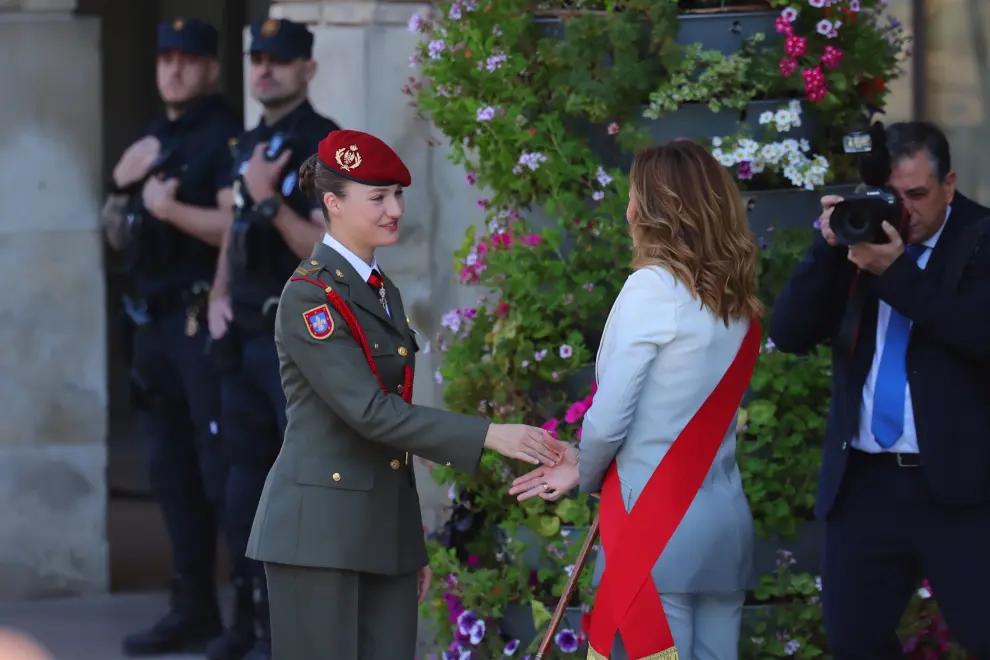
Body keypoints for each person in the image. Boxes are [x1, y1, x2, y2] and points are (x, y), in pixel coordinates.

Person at [244, 128, 566, 660]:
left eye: (398, 194)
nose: (395, 209)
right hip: (319, 535)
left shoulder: (377, 289)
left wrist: (406, 541)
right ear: (333, 203)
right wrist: (490, 435)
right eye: (378, 197)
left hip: (378, 529)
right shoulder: (310, 298)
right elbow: (371, 413)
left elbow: (387, 442)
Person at [510, 140, 763, 660]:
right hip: (724, 527)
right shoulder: (739, 301)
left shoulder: (651, 288)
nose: (626, 209)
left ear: (649, 211)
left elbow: (608, 421)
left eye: (631, 197)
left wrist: (582, 468)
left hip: (655, 528)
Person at [769, 121, 990, 658]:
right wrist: (829, 246)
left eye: (917, 195)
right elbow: (790, 333)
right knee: (856, 644)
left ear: (950, 185)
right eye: (892, 197)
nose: (904, 212)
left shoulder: (981, 237)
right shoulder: (861, 234)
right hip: (865, 483)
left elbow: (978, 335)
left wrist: (895, 275)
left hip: (962, 487)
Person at [100, 18, 243, 658]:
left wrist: (167, 209)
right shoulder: (154, 137)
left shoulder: (221, 135)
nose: (175, 69)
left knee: (219, 473)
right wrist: (122, 184)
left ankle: (247, 614)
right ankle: (192, 607)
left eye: (189, 59)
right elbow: (117, 227)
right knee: (167, 473)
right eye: (166, 59)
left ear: (212, 68)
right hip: (151, 326)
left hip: (198, 325)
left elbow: (237, 228)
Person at [204, 18, 340, 660]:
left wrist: (268, 201)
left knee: (299, 495)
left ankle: (294, 634)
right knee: (240, 489)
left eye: (280, 60)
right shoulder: (250, 140)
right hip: (245, 339)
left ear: (307, 69)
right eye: (257, 58)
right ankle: (247, 623)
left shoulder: (328, 145)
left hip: (299, 345)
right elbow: (234, 228)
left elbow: (329, 251)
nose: (264, 69)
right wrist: (217, 294)